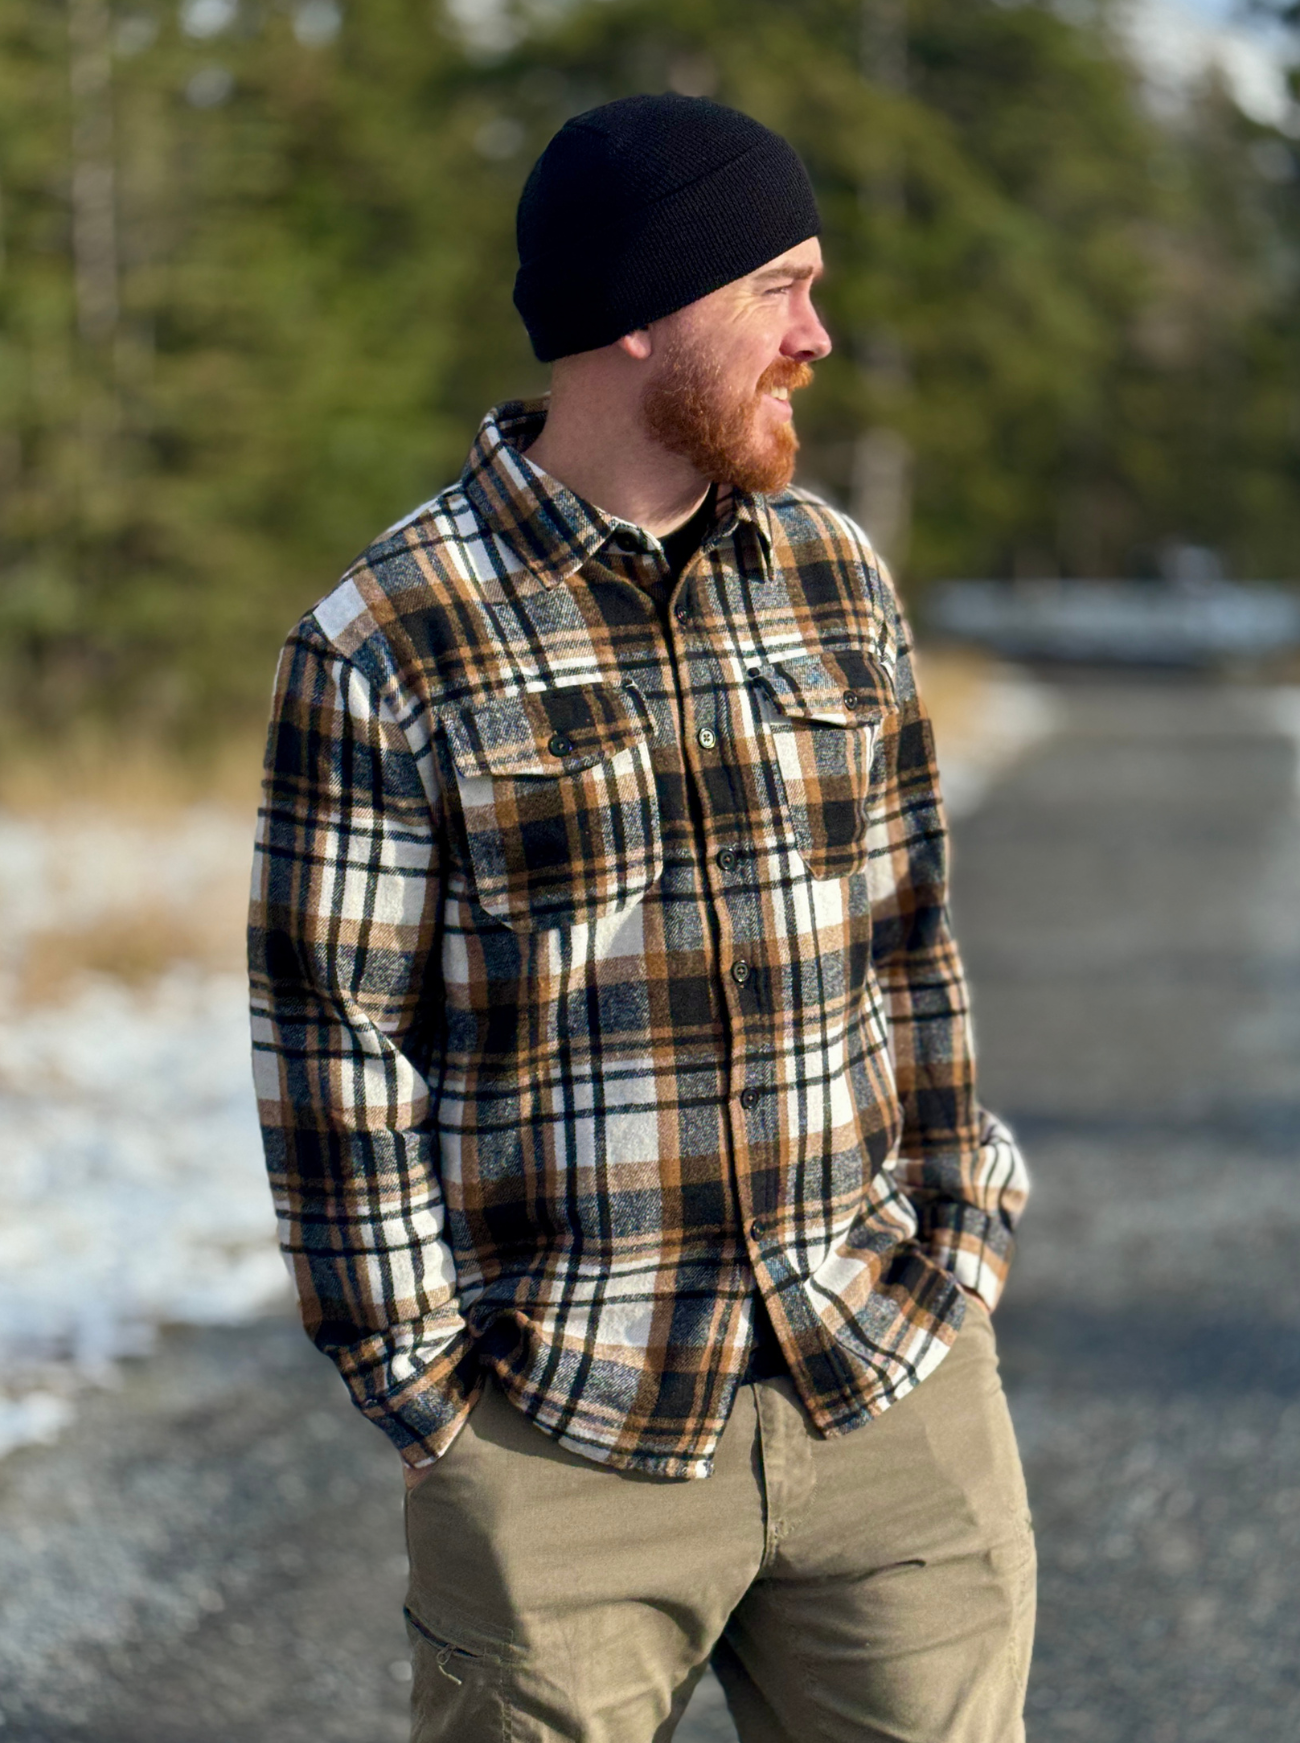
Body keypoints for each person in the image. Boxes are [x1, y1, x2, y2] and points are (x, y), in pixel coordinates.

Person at [249, 92, 1034, 1743]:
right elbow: (335, 1044)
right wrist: (435, 1402)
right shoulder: (387, 637)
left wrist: (957, 1230)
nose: (818, 336)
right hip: (560, 1442)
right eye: (780, 288)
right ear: (639, 307)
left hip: (888, 1383)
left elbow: (914, 938)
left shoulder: (835, 573)